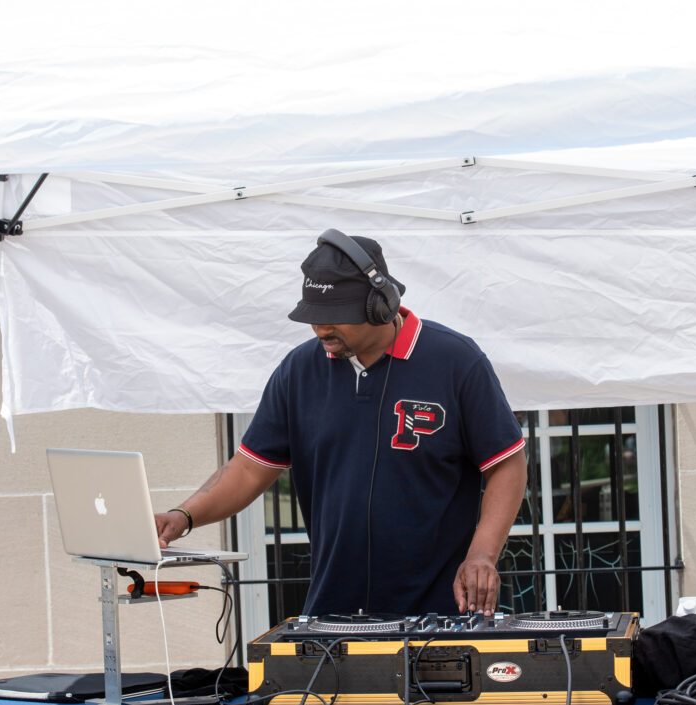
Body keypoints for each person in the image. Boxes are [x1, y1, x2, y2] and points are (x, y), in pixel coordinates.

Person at [155, 230, 526, 616]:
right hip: (334, 615)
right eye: (314, 317)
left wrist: (482, 554)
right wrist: (184, 515)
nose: (321, 329)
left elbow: (506, 463)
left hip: (440, 611)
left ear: (379, 304)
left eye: (334, 316)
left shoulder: (456, 361)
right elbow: (249, 469)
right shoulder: (298, 371)